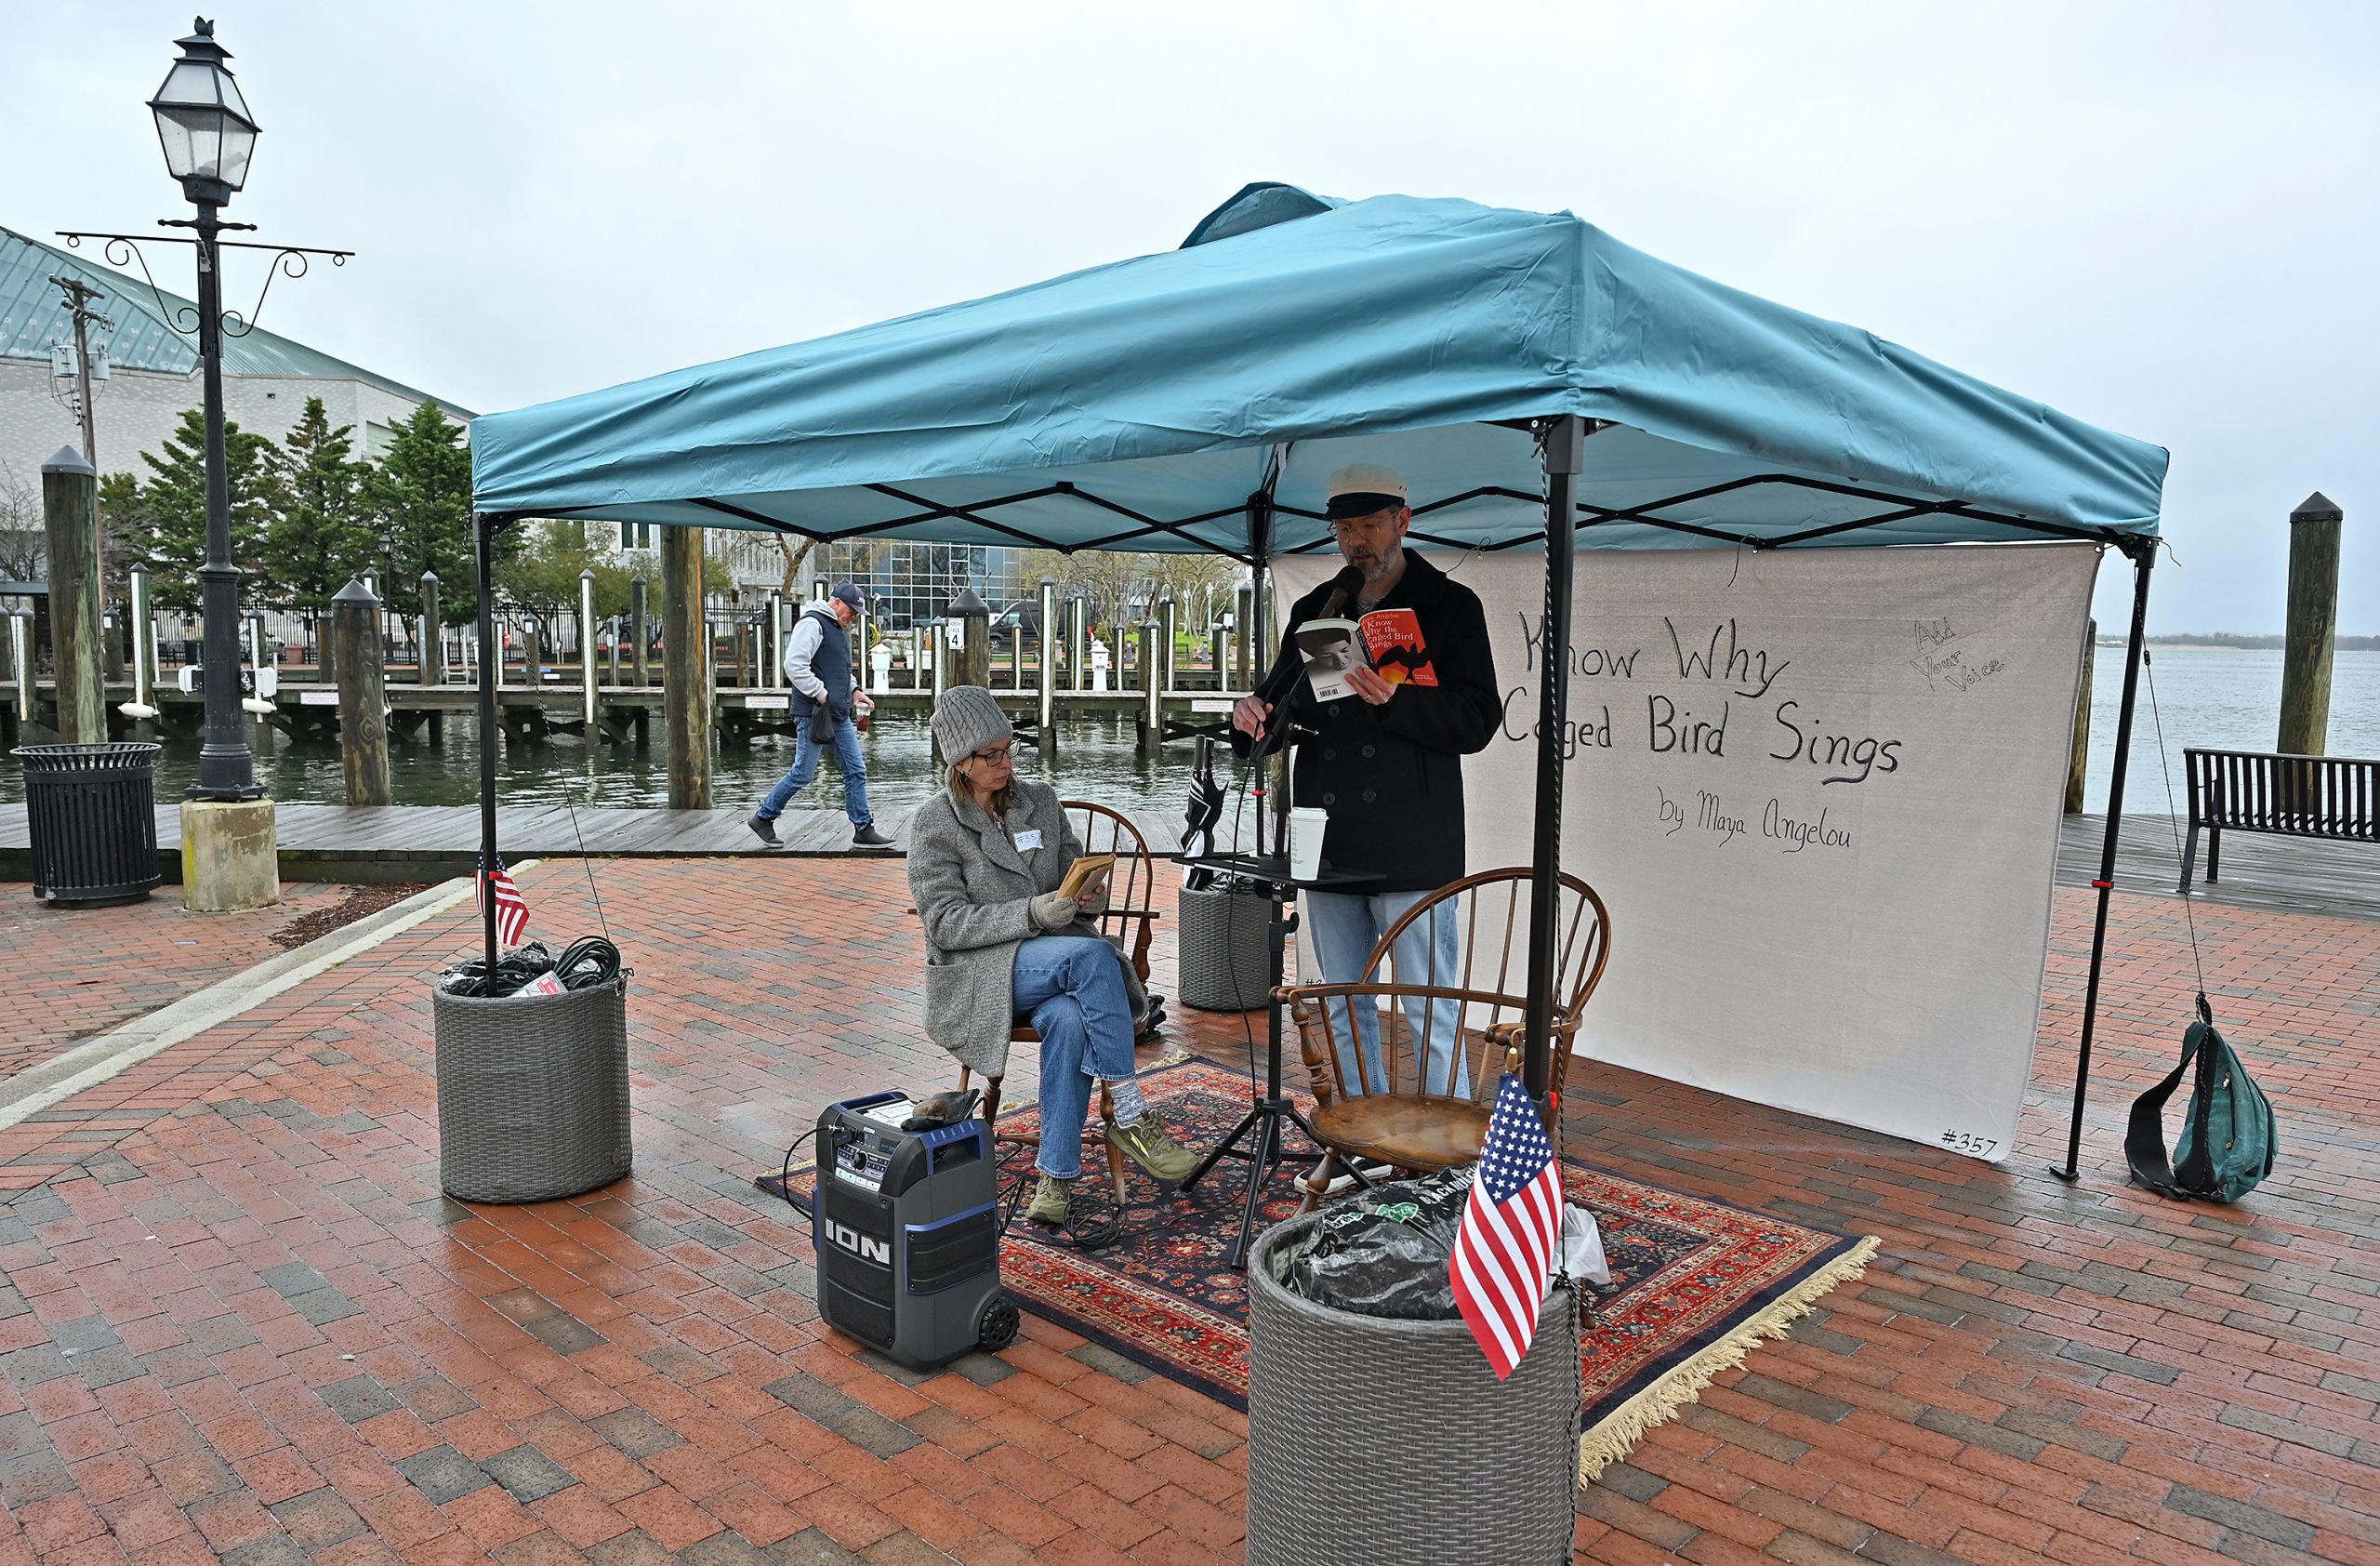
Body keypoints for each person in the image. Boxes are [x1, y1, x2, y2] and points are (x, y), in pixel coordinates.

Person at [1232, 464, 1501, 1098]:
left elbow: (1479, 720)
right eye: (1345, 528)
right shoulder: (1316, 608)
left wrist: (1395, 701)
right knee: (1343, 1003)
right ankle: (1362, 1136)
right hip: (1330, 840)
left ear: (1402, 522)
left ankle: (1444, 1153)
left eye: (1370, 525)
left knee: (1427, 1008)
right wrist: (1248, 717)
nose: (1358, 541)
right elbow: (1277, 710)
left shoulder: (1452, 607)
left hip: (1415, 840)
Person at [909, 686, 1200, 1227]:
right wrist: (1035, 913)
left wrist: (1089, 893)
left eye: (1008, 748)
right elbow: (946, 925)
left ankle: (1057, 1178)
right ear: (960, 761)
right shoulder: (935, 823)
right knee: (1093, 960)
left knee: (1068, 1019)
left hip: (1055, 963)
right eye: (990, 754)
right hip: (981, 975)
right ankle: (1131, 1112)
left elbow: (1077, 877)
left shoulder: (1038, 800)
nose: (1005, 761)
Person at [749, 582, 892, 849]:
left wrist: (855, 691)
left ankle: (863, 828)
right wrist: (821, 693)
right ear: (837, 602)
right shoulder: (813, 624)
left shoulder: (836, 628)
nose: (853, 617)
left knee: (856, 770)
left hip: (837, 713)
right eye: (852, 610)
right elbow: (793, 664)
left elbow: (837, 669)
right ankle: (763, 817)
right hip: (814, 713)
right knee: (803, 773)